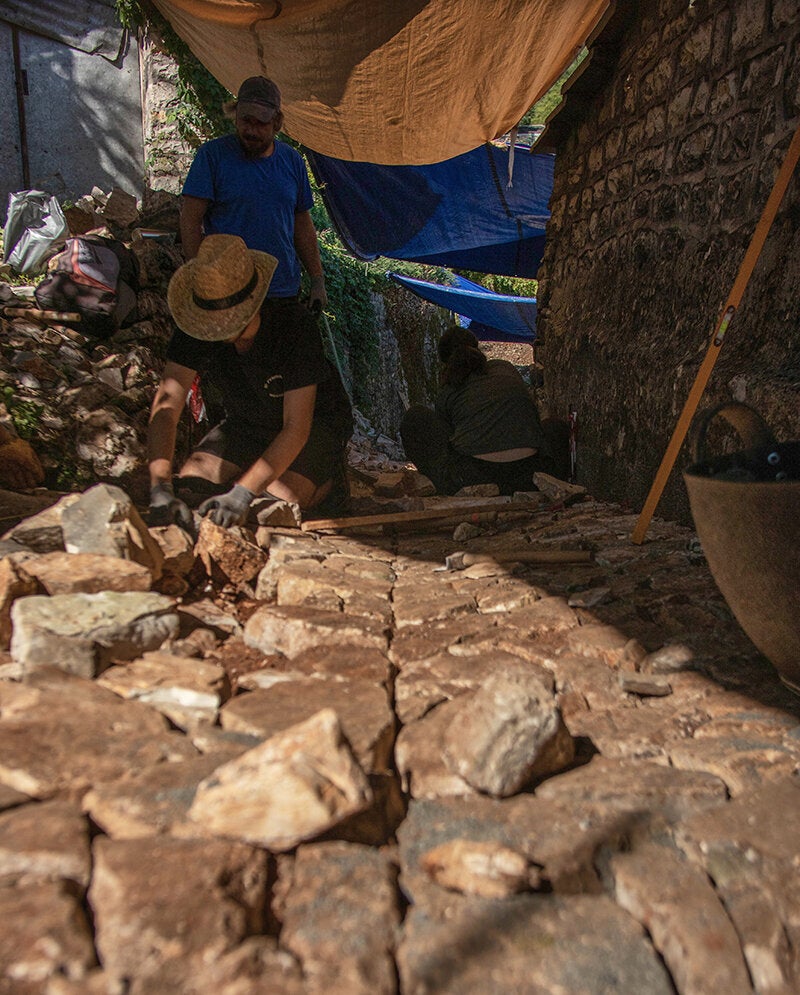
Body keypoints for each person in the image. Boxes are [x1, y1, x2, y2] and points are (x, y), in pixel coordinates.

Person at [147, 235, 352, 530]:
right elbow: (166, 408)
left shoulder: (294, 327)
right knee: (192, 486)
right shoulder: (197, 324)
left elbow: (297, 427)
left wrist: (242, 494)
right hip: (247, 422)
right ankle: (249, 475)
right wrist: (160, 488)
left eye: (228, 320)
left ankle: (329, 481)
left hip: (316, 424)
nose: (218, 329)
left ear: (252, 304)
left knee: (278, 500)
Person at [179, 75, 327, 313]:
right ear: (235, 115)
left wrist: (317, 280)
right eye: (245, 121)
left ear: (277, 122)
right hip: (229, 293)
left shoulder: (292, 161)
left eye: (261, 123)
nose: (251, 130)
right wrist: (198, 274)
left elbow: (301, 223)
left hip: (283, 290)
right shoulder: (212, 157)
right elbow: (190, 219)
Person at [399, 326, 555, 496]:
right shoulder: (505, 368)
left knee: (415, 417)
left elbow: (449, 437)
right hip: (531, 475)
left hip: (473, 478)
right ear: (477, 348)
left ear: (445, 361)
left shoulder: (450, 387)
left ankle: (447, 488)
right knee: (554, 426)